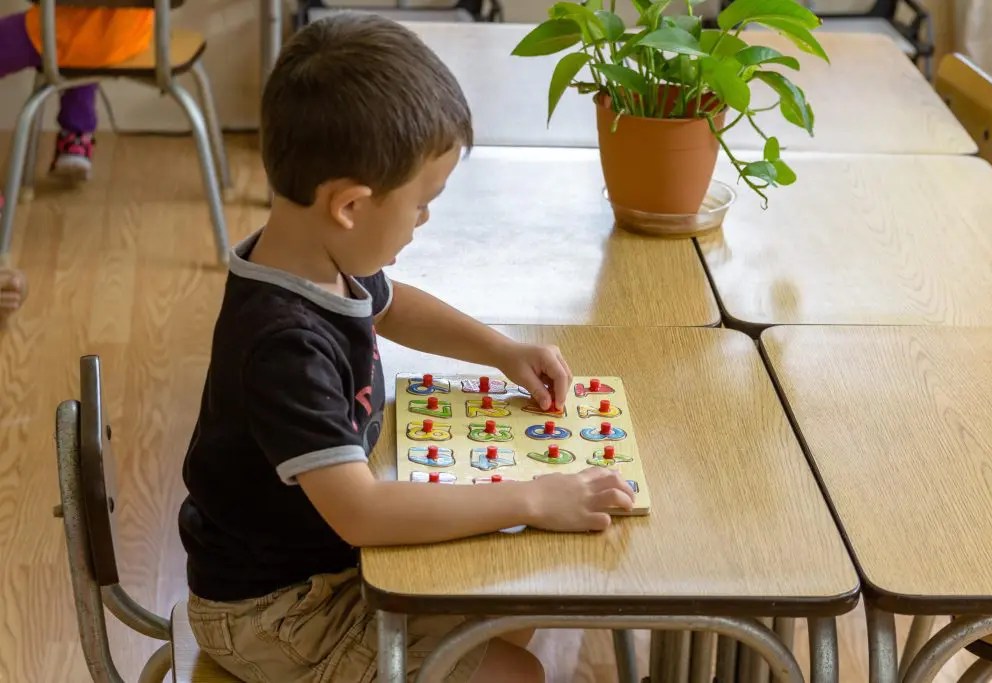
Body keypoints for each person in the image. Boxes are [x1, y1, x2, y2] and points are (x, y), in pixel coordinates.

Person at [178, 12, 636, 683]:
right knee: (519, 674)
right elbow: (363, 511)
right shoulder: (282, 345)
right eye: (423, 203)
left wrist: (500, 350)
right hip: (273, 612)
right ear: (351, 205)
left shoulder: (313, 252)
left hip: (320, 567)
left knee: (513, 599)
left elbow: (392, 305)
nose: (426, 220)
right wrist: (533, 496)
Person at [0, 6, 153, 180]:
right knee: (85, 39)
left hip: (68, 32)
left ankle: (76, 133)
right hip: (128, 34)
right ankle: (75, 135)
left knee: (76, 29)